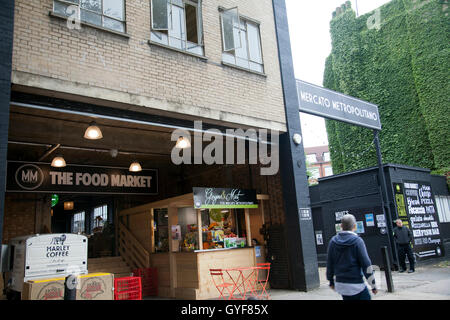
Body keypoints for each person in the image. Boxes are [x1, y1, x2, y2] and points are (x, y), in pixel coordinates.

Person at [327, 214, 377, 300]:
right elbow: (366, 264)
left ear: (341, 226)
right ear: (355, 226)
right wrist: (373, 285)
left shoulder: (333, 241)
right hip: (356, 283)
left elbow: (329, 263)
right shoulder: (357, 241)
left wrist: (331, 281)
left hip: (340, 283)